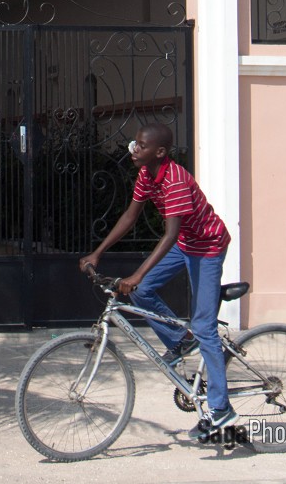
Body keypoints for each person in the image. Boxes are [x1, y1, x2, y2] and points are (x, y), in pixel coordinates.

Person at [79, 122, 235, 436]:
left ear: (159, 152)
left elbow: (170, 233)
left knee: (204, 325)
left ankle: (221, 408)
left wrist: (137, 273)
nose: (134, 149)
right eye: (134, 144)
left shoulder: (174, 180)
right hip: (186, 244)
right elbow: (129, 216)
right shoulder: (147, 175)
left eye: (141, 145)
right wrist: (98, 253)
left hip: (207, 248)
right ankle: (181, 340)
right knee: (143, 291)